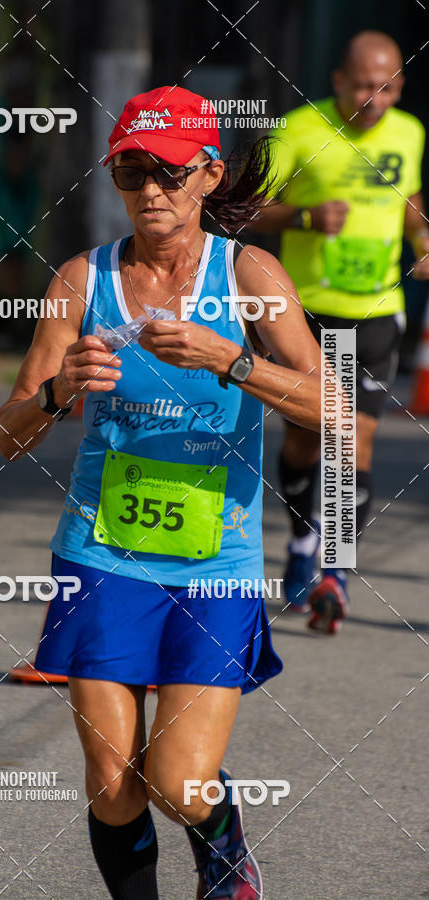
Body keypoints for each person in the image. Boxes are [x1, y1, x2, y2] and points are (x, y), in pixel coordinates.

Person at [0, 85, 321, 900]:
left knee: (178, 782)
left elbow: (336, 408)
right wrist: (58, 391)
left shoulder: (249, 273)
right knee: (112, 783)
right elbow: (9, 432)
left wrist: (232, 359)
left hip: (216, 560)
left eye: (170, 173)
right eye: (132, 172)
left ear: (209, 175)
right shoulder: (82, 279)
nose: (151, 191)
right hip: (102, 555)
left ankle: (226, 848)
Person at [253, 31, 429, 633]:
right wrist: (304, 215)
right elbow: (244, 207)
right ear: (336, 81)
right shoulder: (300, 129)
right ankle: (303, 541)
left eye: (385, 87)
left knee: (354, 438)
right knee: (306, 439)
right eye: (360, 85)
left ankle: (337, 569)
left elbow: (408, 200)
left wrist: (422, 237)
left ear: (400, 87)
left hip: (376, 310)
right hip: (304, 313)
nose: (372, 98)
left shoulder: (410, 132)